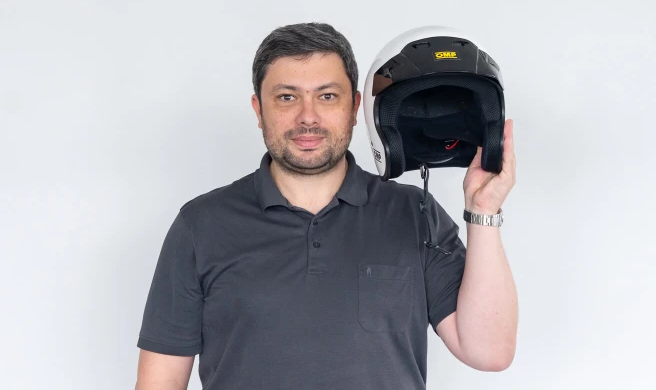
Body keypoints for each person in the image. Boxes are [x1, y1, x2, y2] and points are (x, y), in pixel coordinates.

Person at [134, 22, 518, 390]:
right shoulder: (201, 224)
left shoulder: (413, 213)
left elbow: (490, 351)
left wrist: (483, 211)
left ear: (354, 108)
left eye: (327, 96)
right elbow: (160, 382)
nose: (308, 116)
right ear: (258, 110)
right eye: (287, 97)